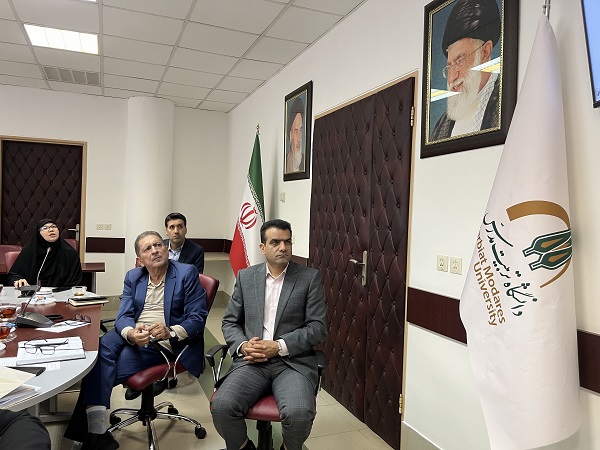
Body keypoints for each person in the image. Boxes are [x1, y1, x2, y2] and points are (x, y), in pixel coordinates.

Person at [64, 231, 207, 450]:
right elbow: (123, 315)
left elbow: (197, 319)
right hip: (135, 330)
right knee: (99, 352)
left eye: (158, 245)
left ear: (166, 249)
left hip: (163, 340)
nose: (155, 250)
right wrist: (130, 333)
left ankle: (93, 433)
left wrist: (169, 331)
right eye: (148, 248)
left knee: (100, 371)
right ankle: (96, 433)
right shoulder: (134, 276)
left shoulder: (186, 273)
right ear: (140, 260)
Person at [211, 219, 327, 450]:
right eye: (275, 242)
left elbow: (318, 327)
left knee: (299, 414)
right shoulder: (246, 277)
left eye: (287, 242)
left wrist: (280, 346)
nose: (283, 247)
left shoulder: (309, 278)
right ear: (262, 248)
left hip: (292, 362)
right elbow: (230, 321)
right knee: (222, 406)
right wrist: (243, 345)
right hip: (252, 360)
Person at [431, 0, 501, 140]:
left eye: (460, 61)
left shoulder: (503, 106)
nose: (452, 77)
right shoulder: (441, 127)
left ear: (485, 52)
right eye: (449, 67)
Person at [8, 218, 83, 288]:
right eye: (45, 228)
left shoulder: (70, 253)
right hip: (31, 293)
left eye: (54, 226)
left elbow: (76, 280)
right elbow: (15, 275)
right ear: (38, 233)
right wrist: (19, 281)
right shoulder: (29, 251)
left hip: (61, 294)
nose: (51, 230)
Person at [285, 98, 305, 174]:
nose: (299, 138)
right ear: (290, 135)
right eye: (296, 131)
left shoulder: (305, 161)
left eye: (300, 130)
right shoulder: (285, 161)